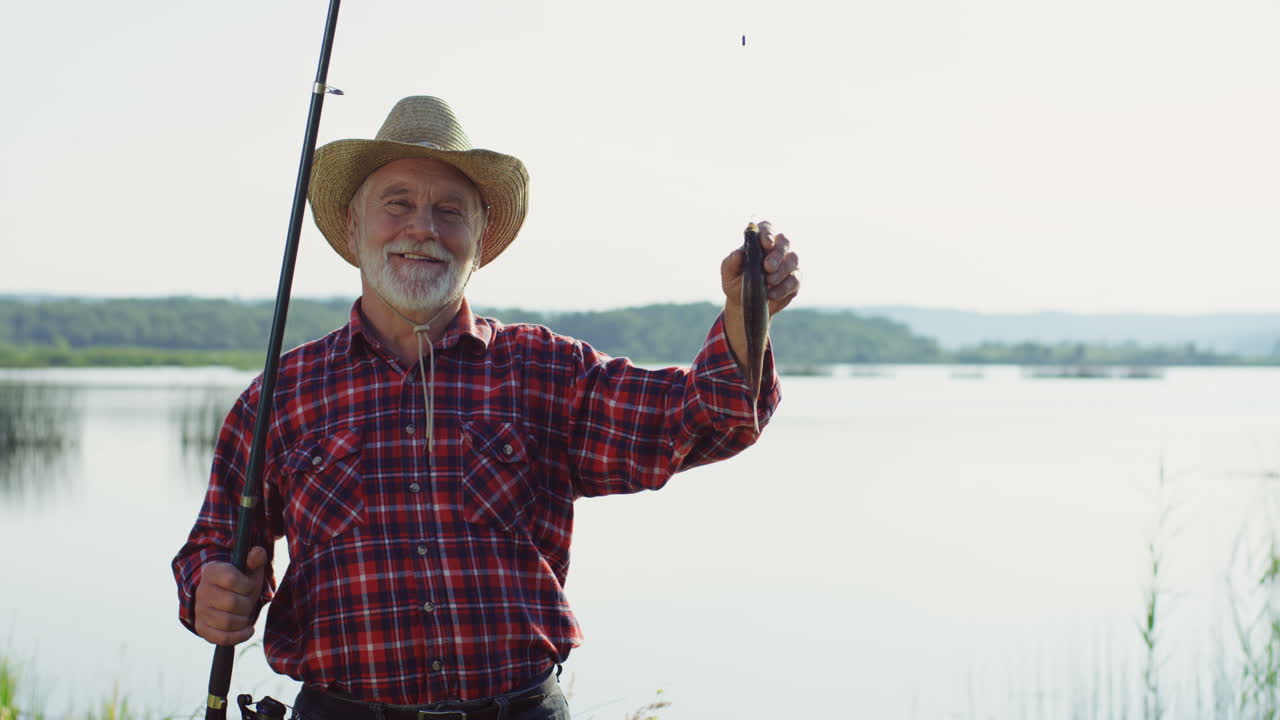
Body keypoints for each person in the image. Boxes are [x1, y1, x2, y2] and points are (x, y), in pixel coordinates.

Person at [173, 96, 801, 720]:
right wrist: (211, 592)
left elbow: (702, 420)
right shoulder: (279, 396)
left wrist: (749, 316)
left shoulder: (547, 369)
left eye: (451, 211)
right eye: (398, 203)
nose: (423, 227)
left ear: (479, 241)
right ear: (352, 225)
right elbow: (214, 545)